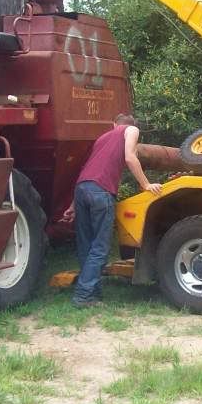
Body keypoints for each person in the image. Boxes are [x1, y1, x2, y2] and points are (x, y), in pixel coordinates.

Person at [62, 114, 162, 308]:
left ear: (113, 124)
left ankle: (93, 295)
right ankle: (83, 296)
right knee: (100, 247)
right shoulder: (131, 130)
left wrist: (73, 206)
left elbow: (89, 169)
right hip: (101, 191)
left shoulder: (102, 138)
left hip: (82, 189)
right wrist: (146, 184)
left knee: (86, 246)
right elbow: (130, 157)